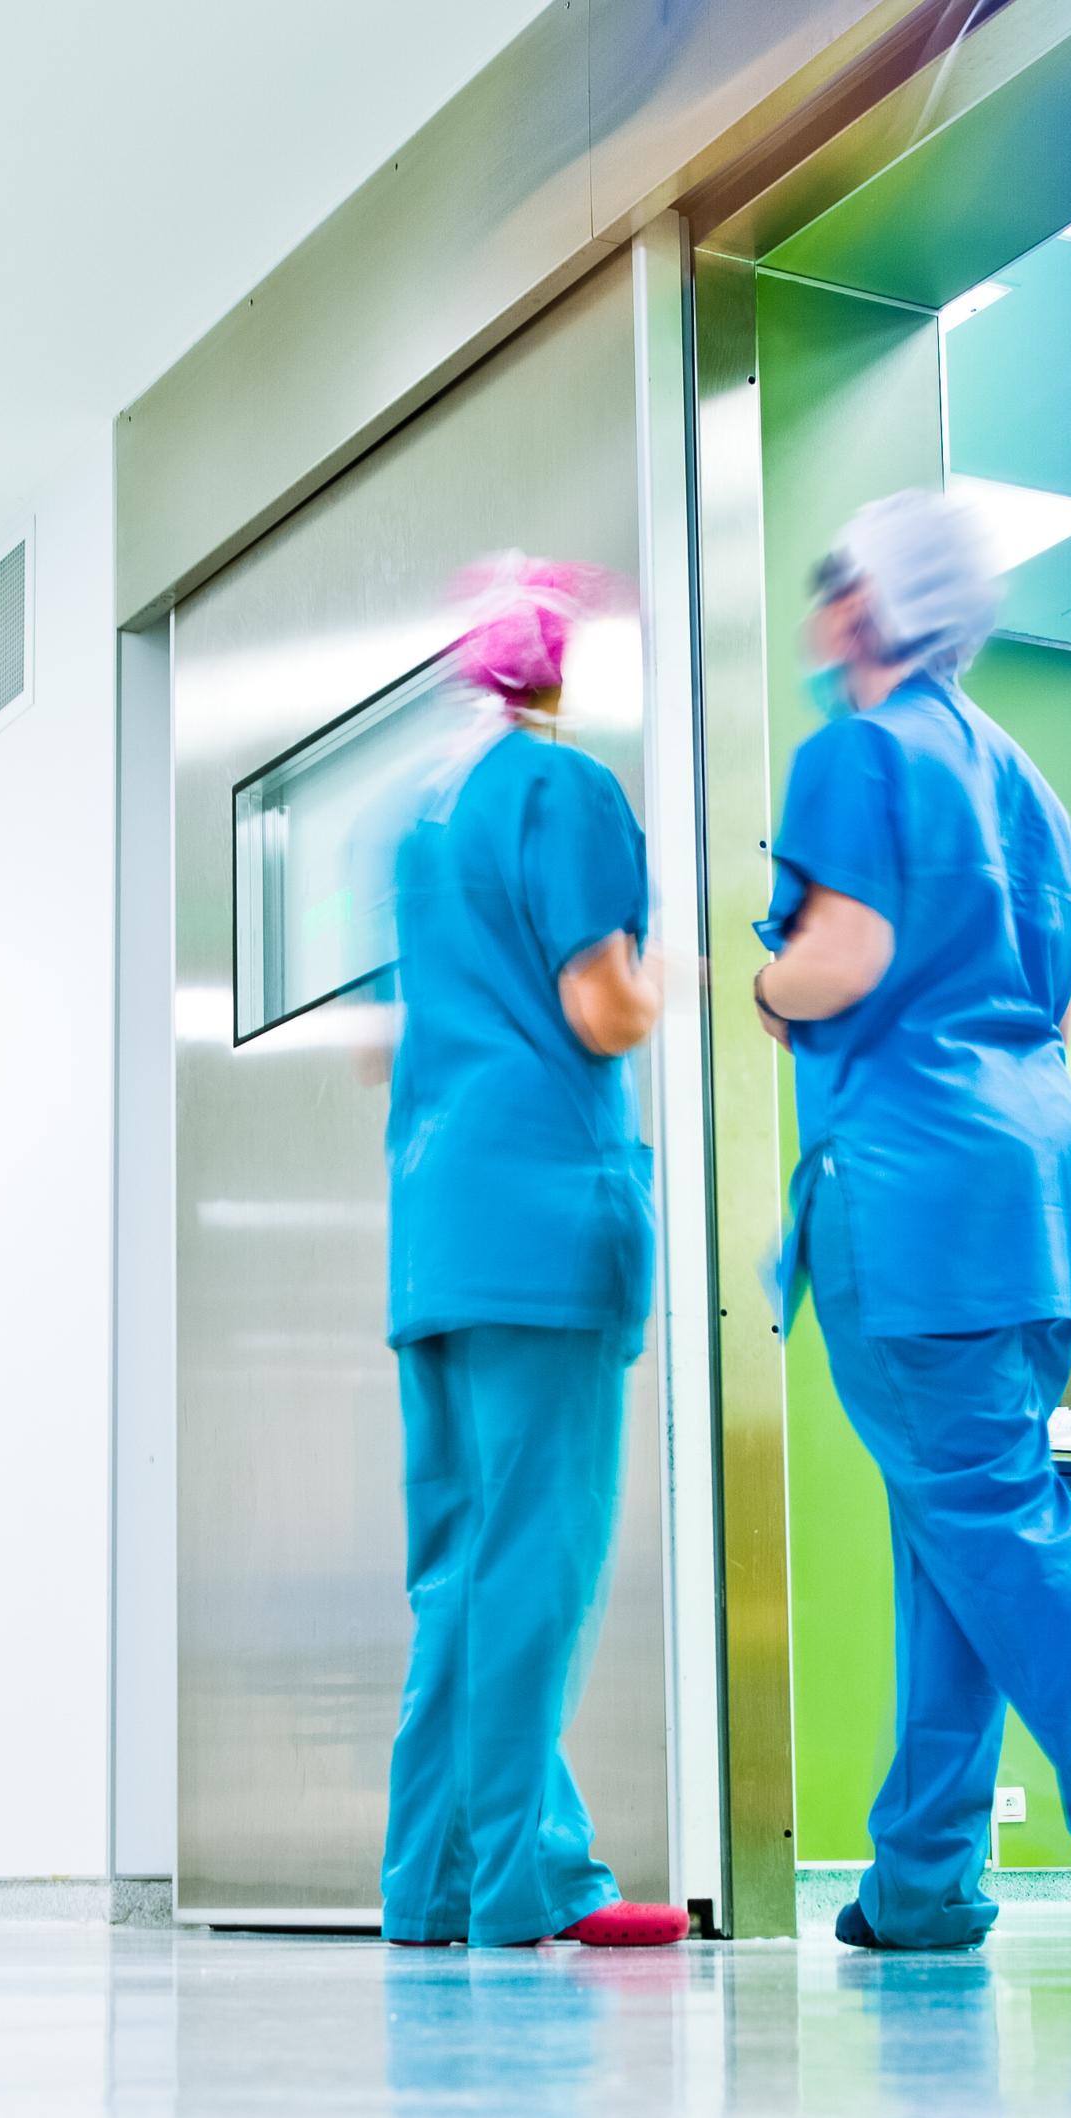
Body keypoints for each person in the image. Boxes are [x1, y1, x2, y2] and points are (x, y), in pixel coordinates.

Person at [755, 490, 1071, 1957]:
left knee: (995, 1529)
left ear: (866, 609)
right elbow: (1040, 991)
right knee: (955, 1539)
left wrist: (762, 980)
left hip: (913, 1201)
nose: (813, 613)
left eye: (827, 585)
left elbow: (838, 961)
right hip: (1034, 1196)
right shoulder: (1021, 778)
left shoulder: (855, 752)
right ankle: (918, 1880)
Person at [376, 553, 686, 1951]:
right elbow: (601, 1004)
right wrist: (721, 977)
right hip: (542, 1225)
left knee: (457, 1567)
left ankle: (431, 1886)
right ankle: (515, 1886)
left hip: (437, 1229)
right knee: (534, 1568)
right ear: (560, 664)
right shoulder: (562, 790)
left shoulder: (422, 826)